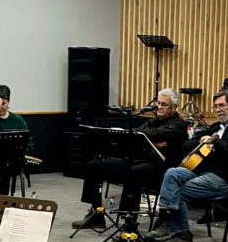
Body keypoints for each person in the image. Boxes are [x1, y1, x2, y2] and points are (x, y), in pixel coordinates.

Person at [147, 87, 228, 242]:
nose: (218, 110)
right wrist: (201, 141)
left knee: (175, 191)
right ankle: (166, 221)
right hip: (203, 172)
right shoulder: (215, 127)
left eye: (222, 105)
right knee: (172, 173)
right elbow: (185, 145)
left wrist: (215, 142)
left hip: (226, 178)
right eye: (216, 106)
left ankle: (179, 232)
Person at [72, 88, 188, 231]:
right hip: (139, 161)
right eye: (158, 103)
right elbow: (136, 135)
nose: (159, 107)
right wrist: (152, 138)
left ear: (174, 107)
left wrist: (149, 136)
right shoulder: (152, 122)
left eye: (164, 104)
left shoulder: (179, 124)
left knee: (133, 172)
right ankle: (96, 214)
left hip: (161, 166)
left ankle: (130, 222)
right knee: (94, 165)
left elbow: (152, 134)